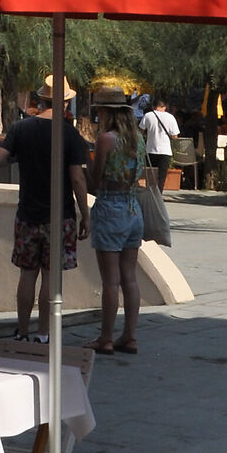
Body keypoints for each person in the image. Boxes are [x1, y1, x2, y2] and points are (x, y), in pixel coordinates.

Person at [0, 75, 90, 346]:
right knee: (50, 275)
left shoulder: (21, 128)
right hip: (60, 216)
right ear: (66, 102)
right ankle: (43, 333)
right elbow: (78, 179)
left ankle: (22, 329)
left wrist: (17, 154)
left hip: (27, 214)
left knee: (27, 274)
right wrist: (85, 215)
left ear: (42, 99)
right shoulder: (70, 134)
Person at [87, 103, 147, 354]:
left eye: (100, 110)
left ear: (108, 113)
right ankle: (130, 336)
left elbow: (96, 177)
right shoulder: (138, 140)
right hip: (133, 208)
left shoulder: (106, 139)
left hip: (110, 208)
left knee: (110, 282)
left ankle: (106, 338)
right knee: (130, 278)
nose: (97, 115)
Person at [141, 99, 180, 191]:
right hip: (165, 151)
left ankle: (150, 195)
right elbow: (175, 136)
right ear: (164, 107)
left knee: (150, 176)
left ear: (154, 106)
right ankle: (158, 196)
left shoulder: (148, 116)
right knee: (161, 178)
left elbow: (140, 131)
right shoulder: (170, 117)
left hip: (150, 150)